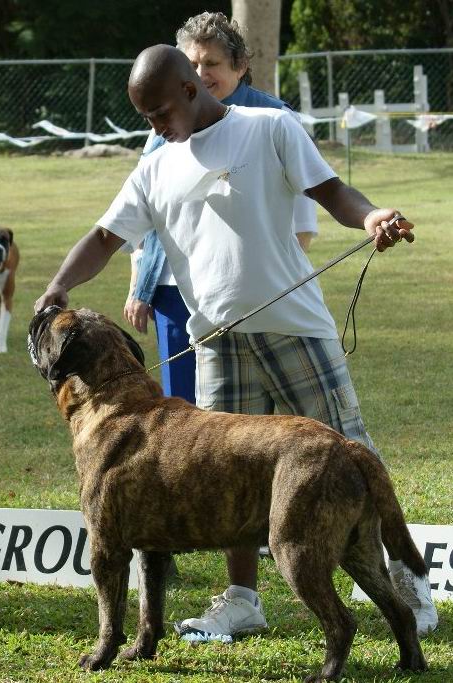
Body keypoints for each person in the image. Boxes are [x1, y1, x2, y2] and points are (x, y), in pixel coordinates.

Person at [34, 44, 438, 641]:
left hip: (295, 326)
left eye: (162, 113)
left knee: (350, 451)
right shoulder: (154, 165)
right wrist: (57, 288)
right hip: (216, 341)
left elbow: (331, 191)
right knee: (221, 477)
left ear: (194, 90)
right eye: (145, 118)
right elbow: (103, 237)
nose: (156, 127)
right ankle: (244, 600)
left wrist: (373, 215)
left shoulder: (269, 127)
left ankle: (407, 588)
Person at [124, 12, 317, 404]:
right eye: (192, 64)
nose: (199, 73)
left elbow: (302, 224)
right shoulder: (161, 128)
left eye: (211, 63)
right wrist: (138, 285)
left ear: (241, 66)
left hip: (253, 295)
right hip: (174, 291)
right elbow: (143, 214)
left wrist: (270, 287)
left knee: (245, 422)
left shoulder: (276, 121)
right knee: (183, 409)